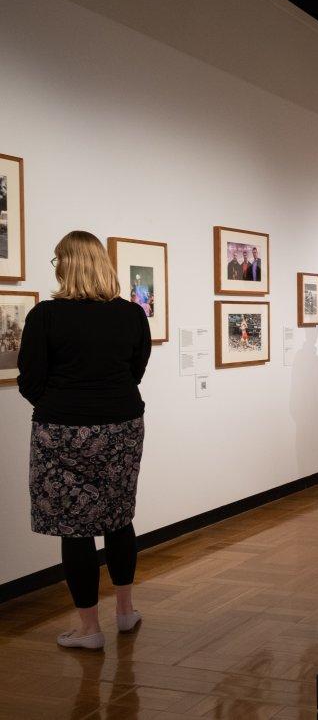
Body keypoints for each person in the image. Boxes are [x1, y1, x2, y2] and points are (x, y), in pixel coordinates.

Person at [17, 230, 151, 650]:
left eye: (58, 261)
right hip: (122, 426)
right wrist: (107, 401)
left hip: (62, 431)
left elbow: (30, 380)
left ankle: (88, 629)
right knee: (118, 517)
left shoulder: (46, 316)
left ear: (67, 265)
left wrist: (63, 403)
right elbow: (136, 370)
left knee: (74, 530)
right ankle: (125, 612)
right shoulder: (132, 315)